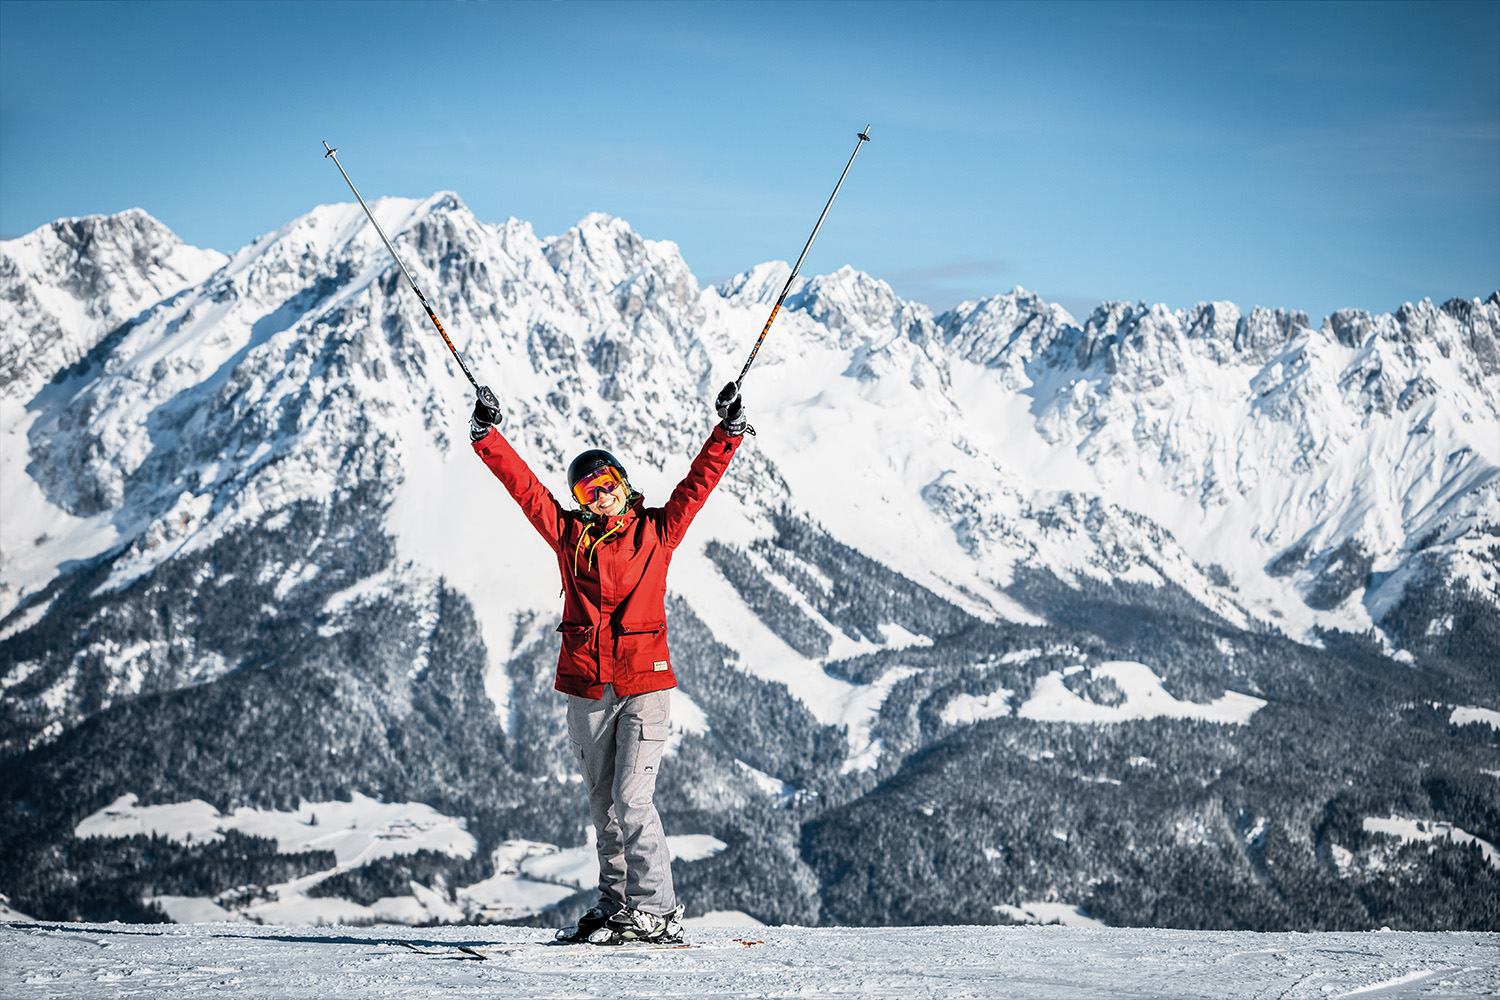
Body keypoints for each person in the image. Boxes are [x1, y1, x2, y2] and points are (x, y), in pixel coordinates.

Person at [468, 382, 748, 944]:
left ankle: (658, 909)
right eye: (588, 489)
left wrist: (728, 432)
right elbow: (525, 491)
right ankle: (617, 900)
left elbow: (698, 486)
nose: (601, 495)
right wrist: (486, 436)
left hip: (644, 683)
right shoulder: (569, 536)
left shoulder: (657, 530)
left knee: (632, 797)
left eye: (608, 483)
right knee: (603, 803)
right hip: (587, 687)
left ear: (624, 484)